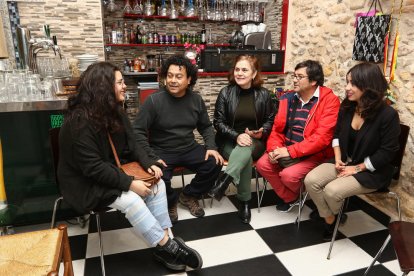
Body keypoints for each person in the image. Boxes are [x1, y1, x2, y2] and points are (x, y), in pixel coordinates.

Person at [57, 62, 202, 271]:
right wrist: (130, 184)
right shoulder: (78, 123)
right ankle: (169, 246)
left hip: (112, 172)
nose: (125, 86)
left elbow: (134, 143)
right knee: (132, 199)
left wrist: (149, 162)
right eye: (120, 82)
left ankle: (165, 243)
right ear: (103, 88)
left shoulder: (115, 111)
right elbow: (93, 168)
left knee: (158, 184)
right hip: (85, 183)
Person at [304, 62, 400, 241]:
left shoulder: (387, 115)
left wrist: (356, 169)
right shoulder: (348, 106)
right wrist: (339, 158)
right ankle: (331, 218)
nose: (347, 88)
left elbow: (387, 153)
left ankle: (330, 216)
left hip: (372, 171)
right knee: (311, 180)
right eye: (347, 82)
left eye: (353, 84)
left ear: (369, 86)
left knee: (332, 191)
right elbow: (337, 134)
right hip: (345, 161)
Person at [133, 55, 223, 223]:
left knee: (214, 162)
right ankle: (171, 200)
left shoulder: (195, 99)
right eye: (170, 75)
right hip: (161, 150)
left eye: (179, 76)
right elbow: (137, 132)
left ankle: (189, 195)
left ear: (189, 79)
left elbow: (205, 126)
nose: (173, 80)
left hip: (188, 147)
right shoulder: (154, 100)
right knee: (160, 178)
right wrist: (151, 157)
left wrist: (211, 146)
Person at [256, 60, 340, 212]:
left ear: (314, 81)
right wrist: (275, 149)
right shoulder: (288, 98)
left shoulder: (329, 101)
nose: (294, 80)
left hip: (314, 155)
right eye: (294, 76)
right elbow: (277, 129)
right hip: (287, 150)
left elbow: (322, 138)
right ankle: (291, 197)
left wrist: (289, 152)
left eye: (299, 77)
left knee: (288, 176)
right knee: (263, 164)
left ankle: (298, 195)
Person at [208, 54, 276, 223]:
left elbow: (270, 120)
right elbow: (218, 122)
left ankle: (225, 180)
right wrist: (237, 135)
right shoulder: (226, 92)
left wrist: (261, 132)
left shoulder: (264, 94)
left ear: (254, 74)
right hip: (228, 141)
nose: (239, 73)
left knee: (246, 146)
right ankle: (245, 202)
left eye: (244, 70)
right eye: (237, 69)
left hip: (256, 142)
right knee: (244, 157)